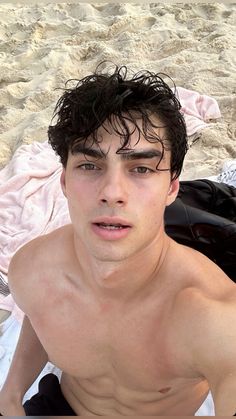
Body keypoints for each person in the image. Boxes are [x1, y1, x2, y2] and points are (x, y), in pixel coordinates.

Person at [0, 65, 236, 416]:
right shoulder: (34, 271)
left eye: (140, 169)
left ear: (172, 187)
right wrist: (11, 396)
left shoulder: (213, 318)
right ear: (64, 181)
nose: (112, 193)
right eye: (90, 166)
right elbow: (39, 316)